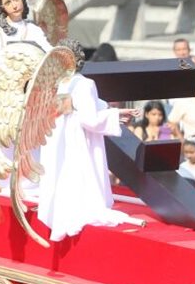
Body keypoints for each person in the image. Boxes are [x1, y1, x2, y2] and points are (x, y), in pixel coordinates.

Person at [37, 39, 143, 242]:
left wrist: (115, 112)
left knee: (61, 174)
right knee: (78, 174)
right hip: (77, 139)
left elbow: (88, 106)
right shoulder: (85, 84)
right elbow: (90, 119)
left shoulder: (53, 82)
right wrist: (113, 116)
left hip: (57, 138)